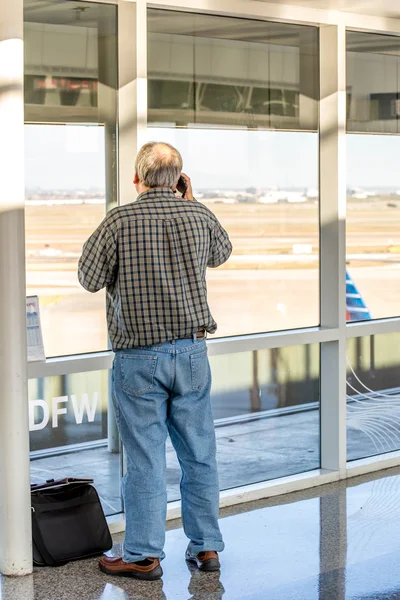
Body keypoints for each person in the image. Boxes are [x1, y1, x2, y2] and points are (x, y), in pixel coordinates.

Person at [78, 142, 232, 581]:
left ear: (137, 178)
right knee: (200, 455)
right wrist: (192, 201)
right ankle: (206, 550)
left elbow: (88, 278)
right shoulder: (198, 215)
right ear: (180, 178)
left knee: (145, 458)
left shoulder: (119, 220)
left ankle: (144, 554)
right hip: (191, 353)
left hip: (138, 358)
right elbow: (221, 253)